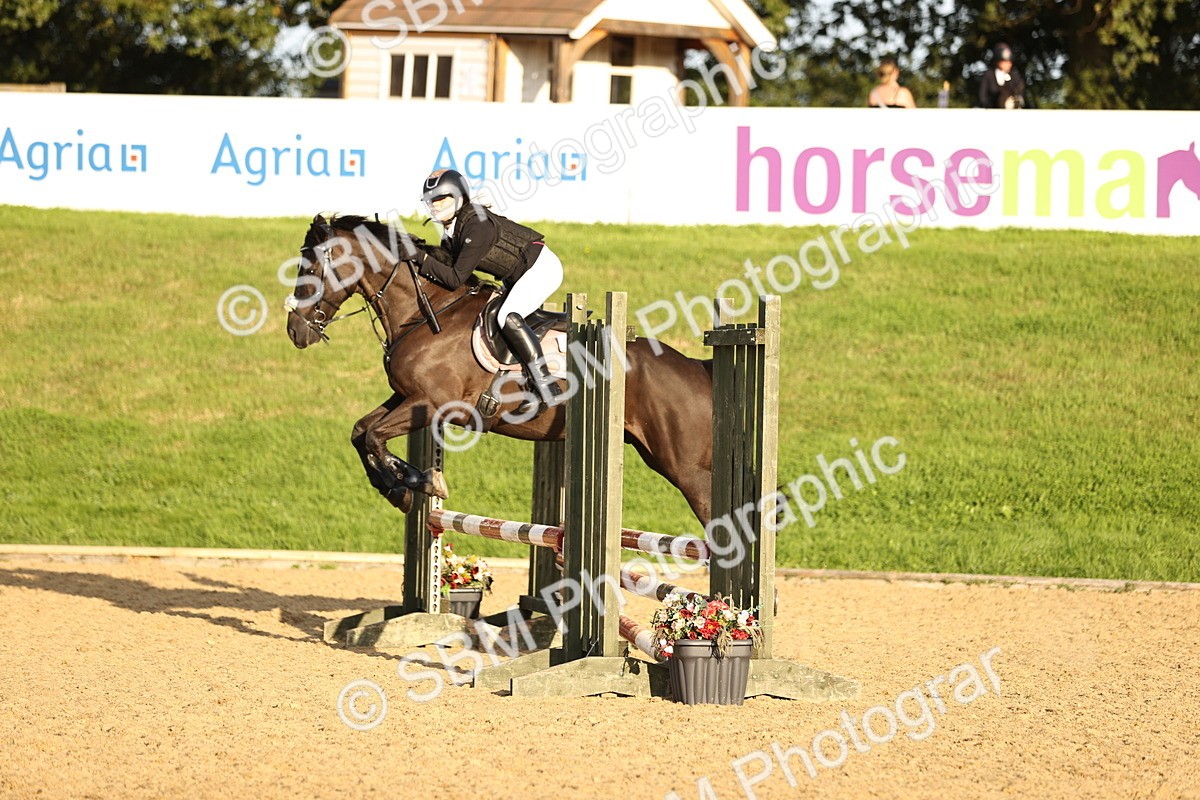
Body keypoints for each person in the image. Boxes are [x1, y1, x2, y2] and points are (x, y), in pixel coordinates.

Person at [411, 168, 565, 409]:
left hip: (541, 269)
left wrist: (419, 256)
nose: (435, 205)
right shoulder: (452, 229)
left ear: (459, 198)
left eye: (441, 199)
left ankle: (546, 385)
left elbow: (454, 278)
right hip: (518, 274)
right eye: (431, 200)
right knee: (498, 315)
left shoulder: (476, 227)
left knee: (507, 317)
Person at [978, 43, 1026, 109]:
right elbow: (983, 96)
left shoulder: (1015, 75)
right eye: (1005, 62)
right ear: (997, 62)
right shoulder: (988, 75)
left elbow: (1020, 93)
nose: (1008, 64)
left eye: (1009, 62)